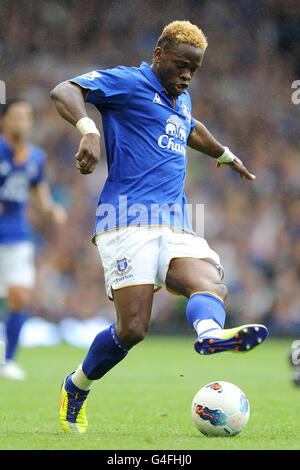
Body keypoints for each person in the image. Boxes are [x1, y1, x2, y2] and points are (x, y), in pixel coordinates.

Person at [50, 20, 268, 434]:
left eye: (195, 70)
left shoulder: (180, 99)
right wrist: (89, 130)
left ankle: (209, 334)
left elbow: (190, 128)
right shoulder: (129, 83)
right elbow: (65, 89)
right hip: (124, 220)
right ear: (159, 55)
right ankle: (76, 386)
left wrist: (224, 155)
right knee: (132, 330)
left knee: (208, 280)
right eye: (182, 66)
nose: (187, 75)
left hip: (175, 223)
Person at [0, 98, 67, 380]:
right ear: (4, 120)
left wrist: (52, 208)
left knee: (21, 296)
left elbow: (39, 191)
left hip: (16, 234)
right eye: (16, 117)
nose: (21, 123)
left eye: (26, 117)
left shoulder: (36, 156)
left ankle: (9, 360)